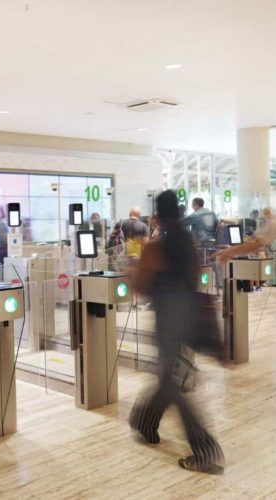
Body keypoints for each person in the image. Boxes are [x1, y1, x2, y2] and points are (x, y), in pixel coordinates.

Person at [128, 190, 224, 474]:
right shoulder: (188, 241)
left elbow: (142, 286)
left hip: (168, 318)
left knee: (172, 381)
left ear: (157, 215)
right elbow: (194, 279)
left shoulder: (156, 246)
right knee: (169, 375)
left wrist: (133, 271)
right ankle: (144, 422)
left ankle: (205, 448)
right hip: (189, 314)